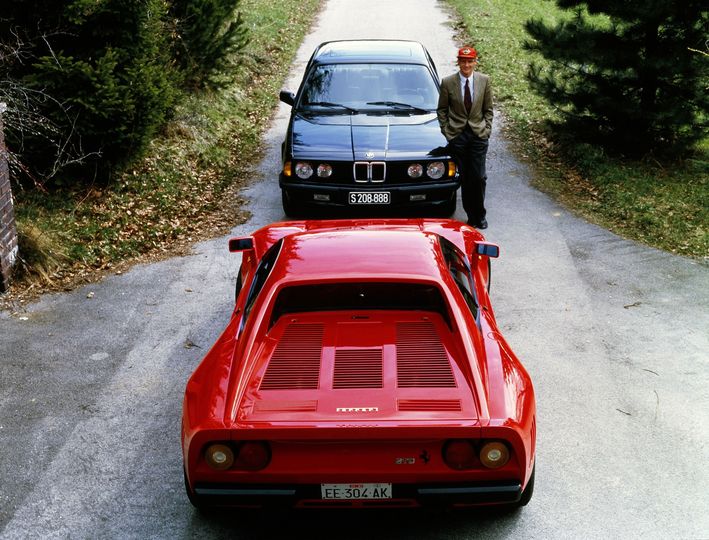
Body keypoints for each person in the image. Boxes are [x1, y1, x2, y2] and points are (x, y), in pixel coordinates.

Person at [437, 46, 493, 229]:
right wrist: (448, 132)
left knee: (479, 177)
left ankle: (480, 214)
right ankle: (471, 216)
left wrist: (487, 130)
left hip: (478, 134)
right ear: (458, 62)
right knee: (466, 178)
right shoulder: (448, 82)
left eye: (470, 61)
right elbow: (442, 110)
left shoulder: (484, 81)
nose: (466, 65)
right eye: (463, 61)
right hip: (458, 135)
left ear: (475, 62)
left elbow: (488, 109)